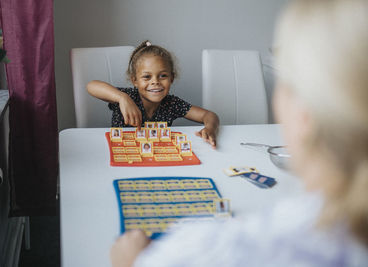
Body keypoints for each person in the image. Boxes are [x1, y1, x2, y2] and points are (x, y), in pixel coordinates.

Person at [109, 0, 368, 266]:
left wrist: (130, 262)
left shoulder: (217, 247)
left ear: (305, 112)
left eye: (285, 82)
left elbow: (209, 116)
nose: (154, 83)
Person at [87, 41, 219, 148]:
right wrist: (122, 98)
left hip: (157, 159)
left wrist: (210, 128)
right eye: (147, 77)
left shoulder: (172, 103)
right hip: (123, 155)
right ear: (135, 81)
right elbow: (91, 86)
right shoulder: (127, 96)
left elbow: (209, 115)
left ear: (171, 78)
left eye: (163, 76)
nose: (155, 82)